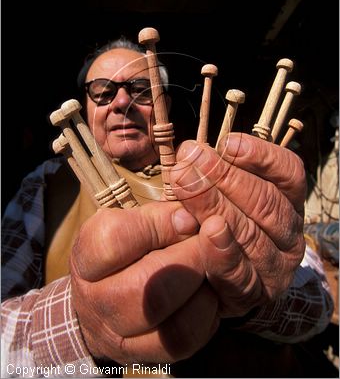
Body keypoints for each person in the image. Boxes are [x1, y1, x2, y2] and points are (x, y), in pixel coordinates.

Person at [1, 36, 334, 378]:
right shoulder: (45, 185)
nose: (121, 102)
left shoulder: (214, 167)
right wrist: (82, 324)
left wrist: (255, 294)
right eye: (102, 91)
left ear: (166, 104)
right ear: (84, 107)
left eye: (142, 89)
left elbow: (320, 307)